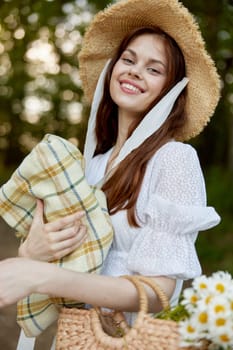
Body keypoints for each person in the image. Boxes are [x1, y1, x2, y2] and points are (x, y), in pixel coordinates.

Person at [0, 0, 221, 349]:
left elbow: (159, 290)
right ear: (113, 68)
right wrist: (32, 253)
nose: (134, 71)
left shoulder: (174, 159)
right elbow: (65, 258)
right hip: (77, 338)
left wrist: (45, 276)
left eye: (154, 69)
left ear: (172, 89)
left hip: (130, 340)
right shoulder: (92, 165)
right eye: (129, 60)